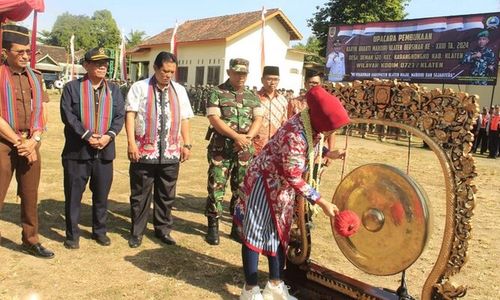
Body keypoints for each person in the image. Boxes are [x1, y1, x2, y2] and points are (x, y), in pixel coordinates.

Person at [234, 86, 349, 300]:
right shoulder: (295, 134)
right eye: (332, 128)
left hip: (281, 187)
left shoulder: (308, 121)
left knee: (278, 233)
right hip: (265, 184)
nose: (333, 132)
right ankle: (249, 290)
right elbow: (293, 175)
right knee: (255, 234)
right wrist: (321, 201)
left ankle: (275, 286)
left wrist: (329, 153)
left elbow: (310, 147)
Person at [125, 52, 193, 248]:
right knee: (140, 195)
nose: (168, 75)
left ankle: (163, 230)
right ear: (155, 68)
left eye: (172, 71)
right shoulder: (139, 87)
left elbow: (185, 118)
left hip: (171, 152)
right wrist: (131, 143)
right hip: (144, 152)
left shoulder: (179, 90)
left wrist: (186, 143)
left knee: (166, 195)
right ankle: (137, 232)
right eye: (164, 71)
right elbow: (130, 115)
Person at [60, 47, 125, 249]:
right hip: (77, 152)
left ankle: (100, 231)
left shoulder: (114, 90)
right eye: (97, 63)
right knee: (73, 196)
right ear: (86, 65)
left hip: (104, 151)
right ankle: (72, 235)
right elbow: (68, 116)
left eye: (105, 63)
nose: (103, 66)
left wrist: (108, 137)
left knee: (101, 196)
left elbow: (119, 117)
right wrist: (88, 136)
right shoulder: (72, 88)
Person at [0, 25, 54, 258]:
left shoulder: (36, 76)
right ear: (5, 52)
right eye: (19, 51)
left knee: (30, 194)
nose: (25, 56)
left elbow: (42, 110)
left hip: (31, 141)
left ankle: (30, 240)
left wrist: (34, 140)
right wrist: (17, 141)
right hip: (3, 142)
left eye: (27, 51)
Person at [205, 58, 263, 245]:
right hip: (221, 148)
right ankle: (213, 225)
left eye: (244, 73)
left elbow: (258, 120)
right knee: (216, 187)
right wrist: (235, 136)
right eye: (237, 73)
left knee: (242, 188)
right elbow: (214, 119)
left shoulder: (253, 95)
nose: (241, 76)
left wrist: (246, 138)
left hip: (245, 150)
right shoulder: (217, 92)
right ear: (229, 72)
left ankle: (236, 226)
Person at [253, 66, 288, 154]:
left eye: (276, 79)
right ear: (262, 80)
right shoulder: (254, 98)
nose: (272, 83)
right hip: (256, 146)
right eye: (269, 79)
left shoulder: (283, 100)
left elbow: (285, 123)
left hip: (276, 147)